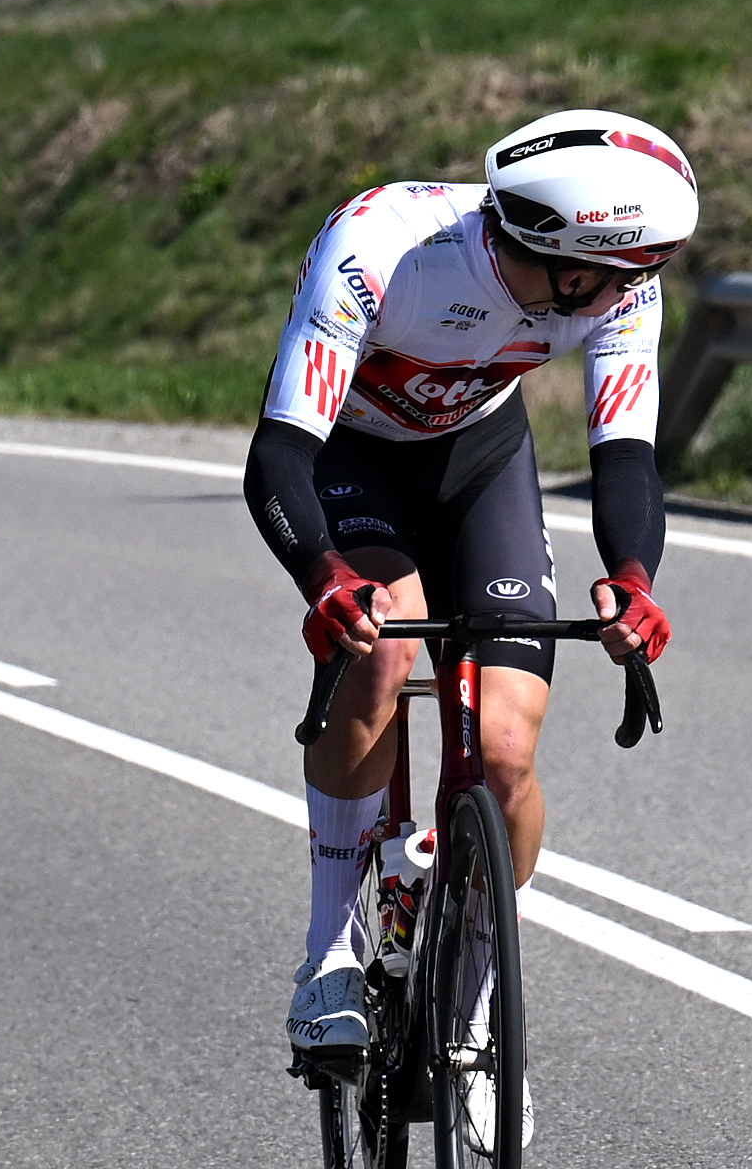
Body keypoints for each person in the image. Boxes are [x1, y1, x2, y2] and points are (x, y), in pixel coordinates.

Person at [243, 106, 694, 1068]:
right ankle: (329, 955)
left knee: (502, 750)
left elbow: (625, 456)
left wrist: (632, 578)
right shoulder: (380, 249)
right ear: (562, 255)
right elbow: (279, 452)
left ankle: (481, 1021)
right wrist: (322, 575)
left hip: (479, 460)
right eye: (613, 276)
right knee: (385, 644)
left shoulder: (617, 287)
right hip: (351, 457)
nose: (625, 294)